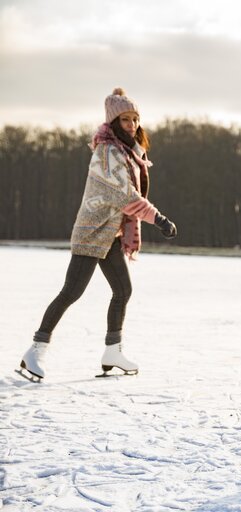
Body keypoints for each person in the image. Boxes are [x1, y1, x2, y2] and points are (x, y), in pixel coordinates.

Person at [17, 88, 178, 382]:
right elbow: (125, 196)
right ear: (113, 122)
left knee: (123, 290)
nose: (132, 125)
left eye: (135, 119)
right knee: (72, 291)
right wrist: (159, 218)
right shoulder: (107, 152)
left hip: (111, 234)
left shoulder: (129, 152)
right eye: (126, 119)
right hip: (92, 232)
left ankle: (112, 351)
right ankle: (35, 351)